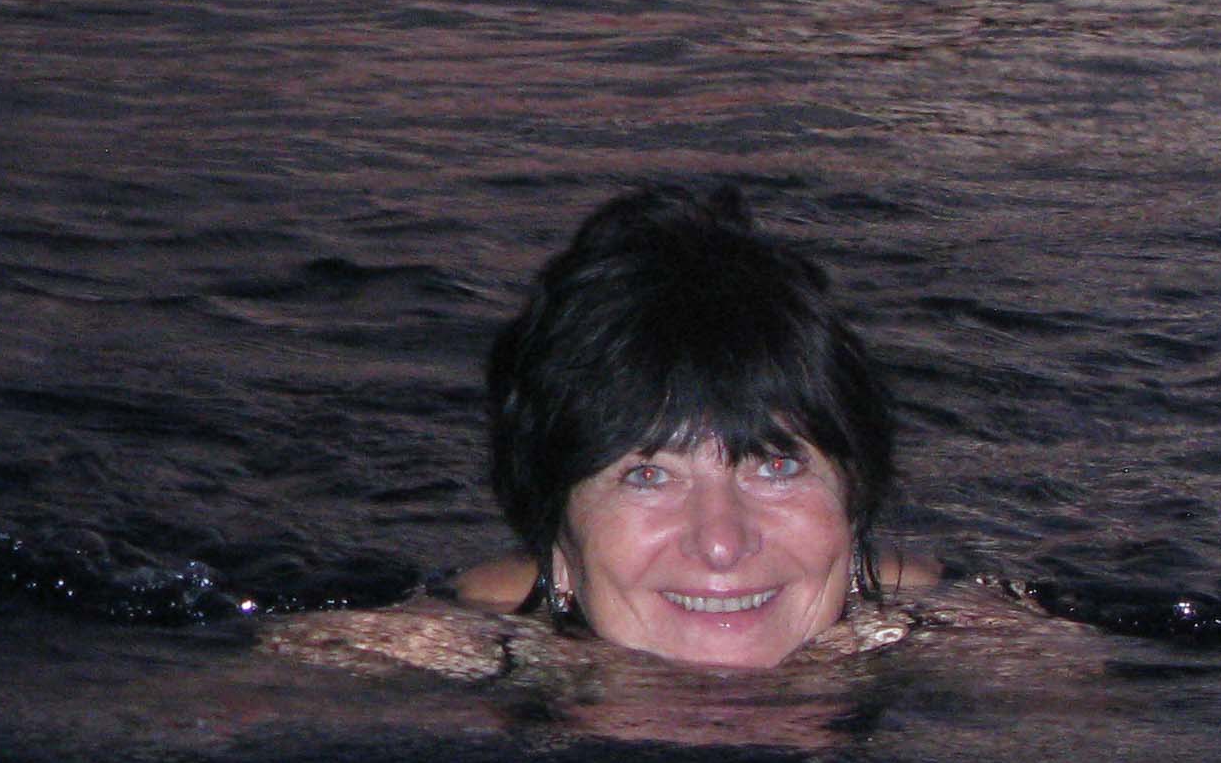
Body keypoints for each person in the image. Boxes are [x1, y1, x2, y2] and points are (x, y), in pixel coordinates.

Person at [272, 185, 927, 684]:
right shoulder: (426, 648)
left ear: (856, 498)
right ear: (557, 538)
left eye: (776, 467)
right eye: (646, 475)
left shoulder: (952, 632)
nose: (722, 542)